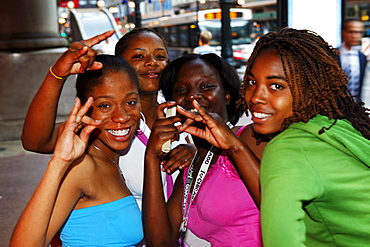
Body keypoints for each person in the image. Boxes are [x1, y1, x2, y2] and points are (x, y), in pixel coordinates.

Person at [240, 27, 370, 246]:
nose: (255, 97)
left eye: (276, 86)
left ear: (309, 89)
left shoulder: (288, 149)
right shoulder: (336, 127)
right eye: (252, 82)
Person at [10, 54, 144, 246]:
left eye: (130, 102)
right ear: (83, 109)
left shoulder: (112, 158)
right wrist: (59, 163)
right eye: (105, 105)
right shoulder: (81, 168)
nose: (121, 116)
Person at [142, 53, 262, 246]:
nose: (192, 95)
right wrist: (152, 157)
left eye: (206, 86)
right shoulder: (193, 164)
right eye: (181, 90)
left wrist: (235, 147)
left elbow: (283, 207)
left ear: (227, 94)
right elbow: (160, 242)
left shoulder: (250, 138)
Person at [337, 17, 368, 98]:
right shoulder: (333, 55)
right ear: (343, 33)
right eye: (351, 32)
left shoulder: (362, 57)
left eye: (359, 32)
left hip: (355, 105)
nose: (355, 36)